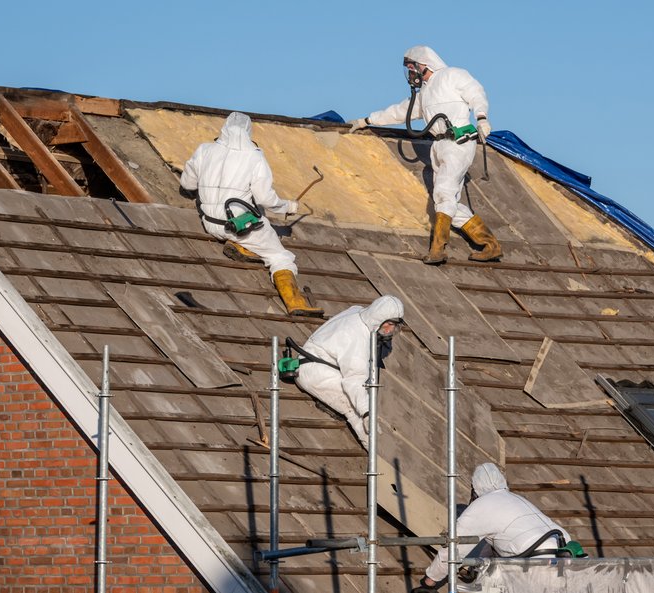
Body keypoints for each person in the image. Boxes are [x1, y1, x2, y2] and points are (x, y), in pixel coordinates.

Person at [348, 46, 503, 265]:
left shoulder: (452, 75)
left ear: (424, 64)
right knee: (446, 201)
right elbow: (400, 112)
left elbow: (476, 93)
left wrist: (481, 118)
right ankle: (490, 244)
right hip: (438, 145)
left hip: (459, 142)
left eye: (412, 68)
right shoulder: (424, 94)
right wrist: (367, 120)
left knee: (443, 192)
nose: (411, 73)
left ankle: (438, 249)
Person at [180, 111, 322, 317]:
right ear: (248, 132)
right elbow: (265, 199)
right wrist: (287, 207)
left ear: (224, 128)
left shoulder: (205, 150)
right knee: (280, 256)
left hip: (210, 223)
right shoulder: (255, 157)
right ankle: (295, 303)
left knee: (253, 216)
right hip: (239, 226)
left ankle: (242, 247)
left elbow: (187, 184)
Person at [411, 463, 571, 593]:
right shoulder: (516, 499)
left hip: (535, 565)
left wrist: (429, 581)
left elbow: (454, 548)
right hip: (568, 558)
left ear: (475, 489)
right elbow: (494, 542)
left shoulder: (481, 506)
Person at [295, 295, 404, 449]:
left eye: (394, 326)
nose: (390, 330)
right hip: (316, 373)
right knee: (354, 409)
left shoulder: (358, 313)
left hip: (316, 363)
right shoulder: (356, 337)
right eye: (389, 324)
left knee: (360, 399)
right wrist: (367, 413)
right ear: (378, 318)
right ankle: (375, 451)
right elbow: (354, 380)